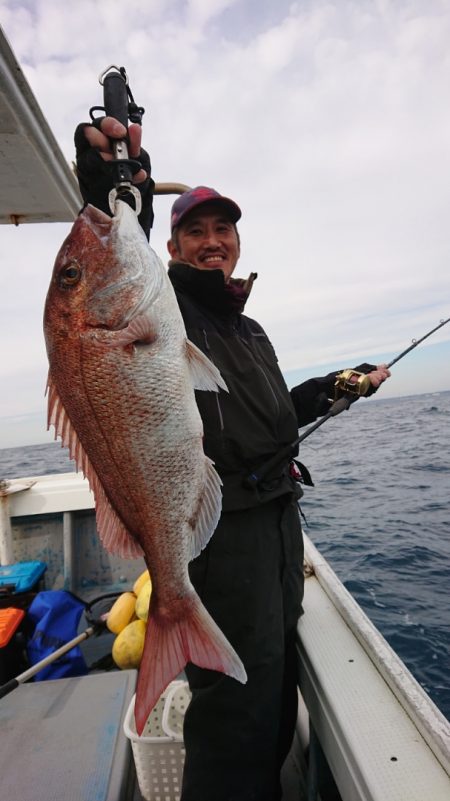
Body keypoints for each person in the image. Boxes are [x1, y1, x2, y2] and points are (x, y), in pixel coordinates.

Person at [75, 117, 391, 801]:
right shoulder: (167, 308)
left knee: (273, 708)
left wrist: (339, 386)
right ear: (172, 247)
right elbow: (113, 265)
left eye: (224, 230)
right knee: (233, 729)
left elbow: (274, 416)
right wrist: (109, 189)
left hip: (280, 532)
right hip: (225, 544)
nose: (214, 243)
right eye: (196, 232)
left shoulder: (248, 328)